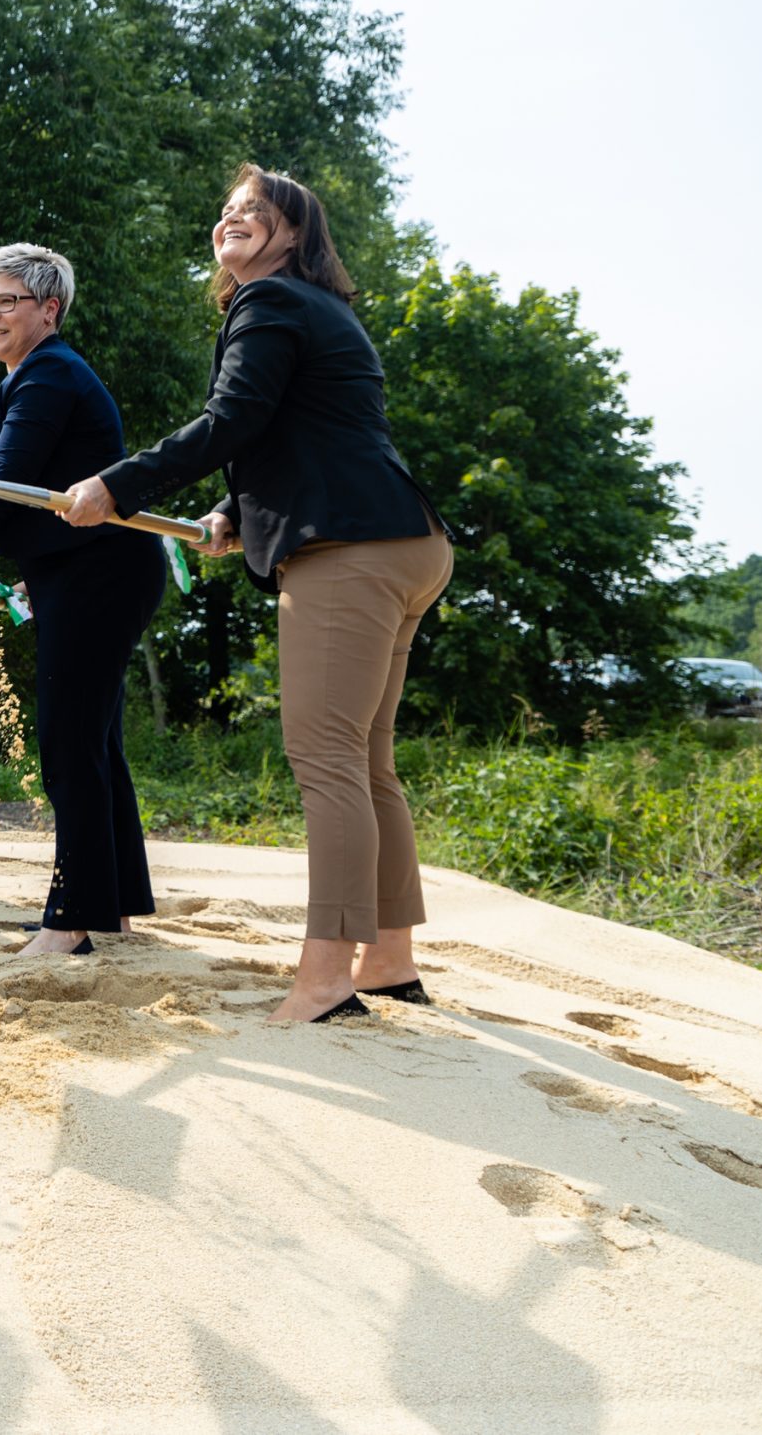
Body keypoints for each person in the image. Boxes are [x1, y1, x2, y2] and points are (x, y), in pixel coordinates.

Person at [62, 165, 451, 1023]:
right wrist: (237, 508)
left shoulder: (269, 302)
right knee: (367, 759)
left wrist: (117, 485)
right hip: (407, 541)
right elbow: (309, 427)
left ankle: (323, 982)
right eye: (228, 209)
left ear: (294, 237)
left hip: (350, 550)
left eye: (258, 212)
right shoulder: (324, 311)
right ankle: (388, 957)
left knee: (327, 759)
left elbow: (232, 418)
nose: (234, 219)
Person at [0, 244, 164, 957]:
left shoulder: (46, 374)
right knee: (95, 742)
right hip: (89, 570)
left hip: (101, 573)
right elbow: (30, 505)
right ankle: (111, 909)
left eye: (5, 300)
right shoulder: (36, 377)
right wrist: (12, 570)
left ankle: (71, 920)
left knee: (68, 744)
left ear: (49, 308)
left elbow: (4, 488)